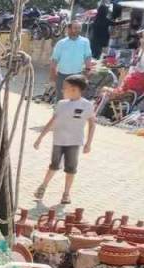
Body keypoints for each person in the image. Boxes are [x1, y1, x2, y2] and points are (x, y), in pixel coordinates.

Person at [33, 74, 95, 205]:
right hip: (59, 141)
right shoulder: (61, 104)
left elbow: (92, 124)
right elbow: (52, 121)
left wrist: (88, 143)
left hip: (74, 142)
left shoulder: (87, 105)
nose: (62, 90)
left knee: (71, 169)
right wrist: (40, 137)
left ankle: (66, 193)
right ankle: (43, 186)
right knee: (53, 165)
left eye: (65, 88)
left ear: (74, 89)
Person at [52, 22, 93, 94]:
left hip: (77, 75)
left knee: (75, 97)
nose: (78, 30)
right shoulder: (61, 43)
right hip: (62, 75)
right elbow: (54, 59)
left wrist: (88, 69)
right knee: (61, 97)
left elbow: (88, 56)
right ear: (69, 29)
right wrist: (53, 73)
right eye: (75, 28)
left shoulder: (85, 42)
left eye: (79, 28)